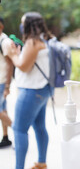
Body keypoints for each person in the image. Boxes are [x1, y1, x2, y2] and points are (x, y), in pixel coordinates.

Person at [6, 12, 54, 169]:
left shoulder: (32, 42)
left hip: (31, 91)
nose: (21, 25)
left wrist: (13, 55)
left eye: (22, 22)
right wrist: (19, 54)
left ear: (28, 25)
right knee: (39, 127)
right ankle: (41, 162)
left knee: (19, 130)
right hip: (43, 90)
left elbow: (24, 67)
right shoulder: (44, 40)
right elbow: (29, 62)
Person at [0, 17, 13, 148]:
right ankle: (5, 137)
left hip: (2, 82)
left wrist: (7, 86)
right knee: (3, 109)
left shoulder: (4, 41)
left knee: (0, 111)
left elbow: (10, 64)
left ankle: (19, 131)